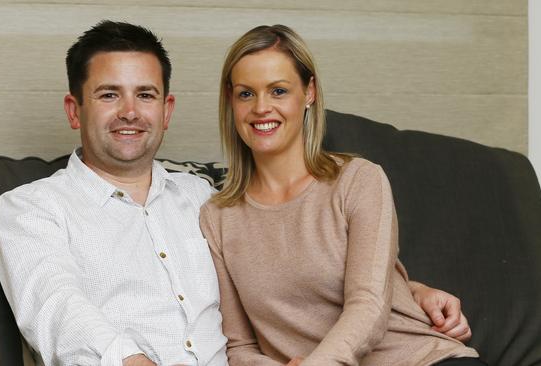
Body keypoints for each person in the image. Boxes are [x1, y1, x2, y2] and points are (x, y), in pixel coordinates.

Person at [0, 20, 473, 366]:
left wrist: (412, 290)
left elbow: (301, 256)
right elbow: (55, 307)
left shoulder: (200, 198)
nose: (130, 112)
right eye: (108, 94)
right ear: (75, 110)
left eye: (146, 94)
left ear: (167, 109)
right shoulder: (32, 209)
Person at [199, 24, 485, 366]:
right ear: (231, 100)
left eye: (278, 91)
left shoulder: (359, 180)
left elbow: (369, 303)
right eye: (247, 93)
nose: (262, 107)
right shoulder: (217, 217)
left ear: (309, 93)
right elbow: (240, 346)